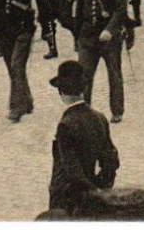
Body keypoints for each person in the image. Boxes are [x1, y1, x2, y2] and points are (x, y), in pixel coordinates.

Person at [47, 59, 120, 214]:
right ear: (83, 89)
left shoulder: (65, 125)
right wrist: (101, 186)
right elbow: (111, 159)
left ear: (61, 92)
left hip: (65, 198)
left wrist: (90, 192)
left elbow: (71, 169)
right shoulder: (100, 118)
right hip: (89, 193)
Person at [71, 0, 127, 124]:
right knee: (84, 76)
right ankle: (84, 112)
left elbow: (121, 11)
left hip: (109, 39)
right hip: (87, 38)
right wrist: (77, 37)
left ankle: (117, 111)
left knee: (114, 74)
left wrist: (109, 30)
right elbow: (79, 12)